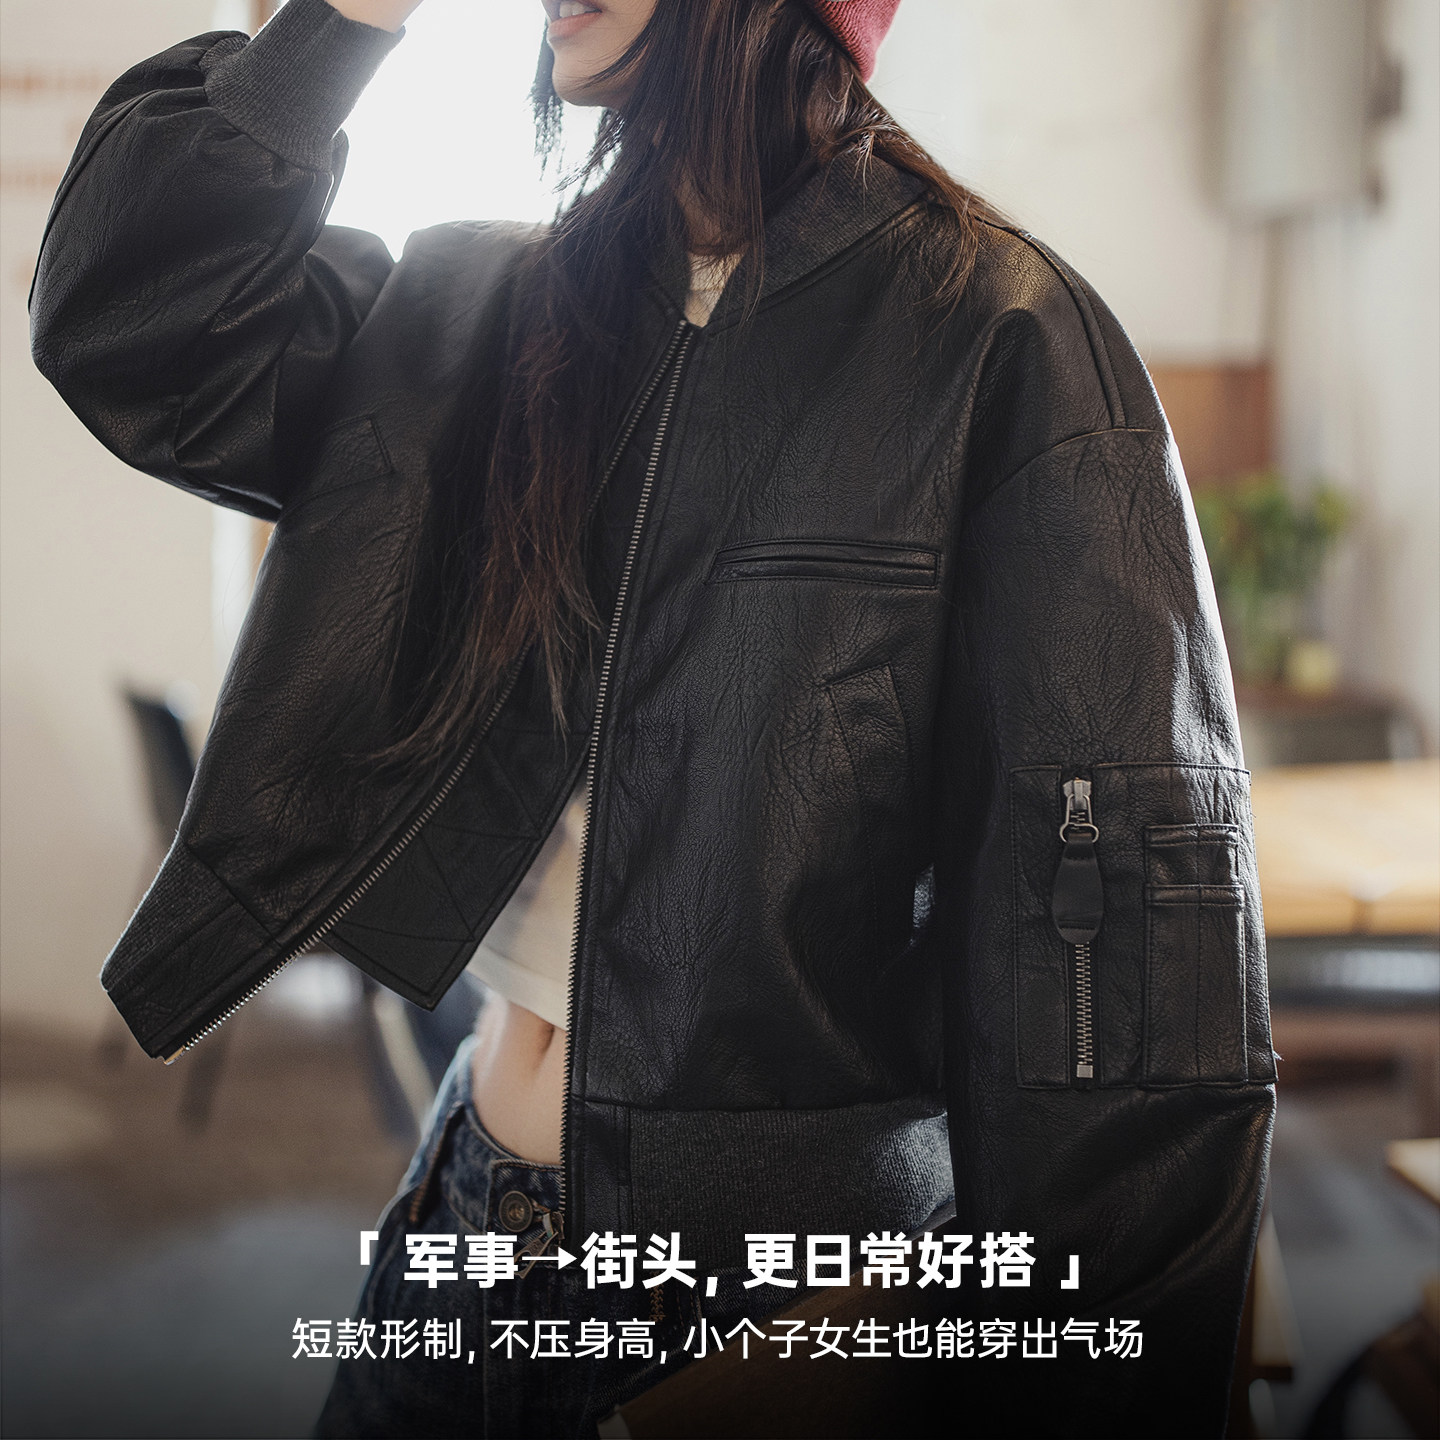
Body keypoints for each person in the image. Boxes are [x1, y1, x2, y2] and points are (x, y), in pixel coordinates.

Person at [30, 0, 1277, 1434]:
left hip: (764, 1299)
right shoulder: (502, 312)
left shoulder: (1002, 342)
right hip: (465, 1214)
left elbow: (1130, 1007)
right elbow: (131, 317)